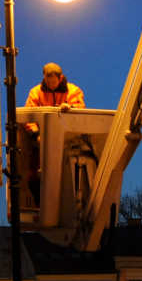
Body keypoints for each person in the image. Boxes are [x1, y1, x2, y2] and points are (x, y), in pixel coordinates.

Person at [23, 62, 85, 204]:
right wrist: (36, 135)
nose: (50, 85)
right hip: (41, 142)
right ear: (44, 78)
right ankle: (40, 204)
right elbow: (29, 115)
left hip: (66, 142)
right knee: (33, 177)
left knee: (69, 174)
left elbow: (81, 108)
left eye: (53, 82)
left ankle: (69, 203)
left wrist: (70, 107)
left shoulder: (73, 91)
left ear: (60, 78)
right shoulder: (35, 93)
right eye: (47, 81)